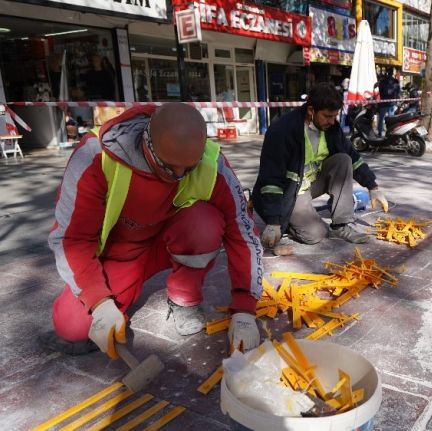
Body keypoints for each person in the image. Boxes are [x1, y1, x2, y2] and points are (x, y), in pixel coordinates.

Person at [44, 103, 263, 358]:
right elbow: (71, 240)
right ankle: (115, 294)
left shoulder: (211, 163)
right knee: (72, 327)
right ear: (147, 142)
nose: (179, 176)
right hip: (119, 257)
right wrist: (100, 301)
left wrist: (245, 308)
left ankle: (185, 298)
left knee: (204, 223)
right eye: (169, 167)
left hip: (168, 242)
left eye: (189, 168)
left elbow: (243, 230)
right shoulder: (96, 157)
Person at [252, 82, 388, 251]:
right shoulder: (283, 131)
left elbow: (353, 157)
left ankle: (341, 225)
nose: (332, 121)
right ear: (311, 110)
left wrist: (372, 186)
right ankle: (286, 221)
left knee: (343, 160)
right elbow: (271, 179)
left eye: (335, 116)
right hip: (287, 192)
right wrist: (273, 221)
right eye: (327, 116)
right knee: (316, 234)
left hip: (308, 185)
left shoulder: (331, 127)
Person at [377, 68, 400, 136]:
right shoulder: (396, 82)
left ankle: (380, 132)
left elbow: (380, 91)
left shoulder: (382, 81)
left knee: (381, 119)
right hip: (391, 104)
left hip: (383, 103)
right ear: (392, 73)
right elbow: (398, 93)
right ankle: (390, 132)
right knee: (391, 119)